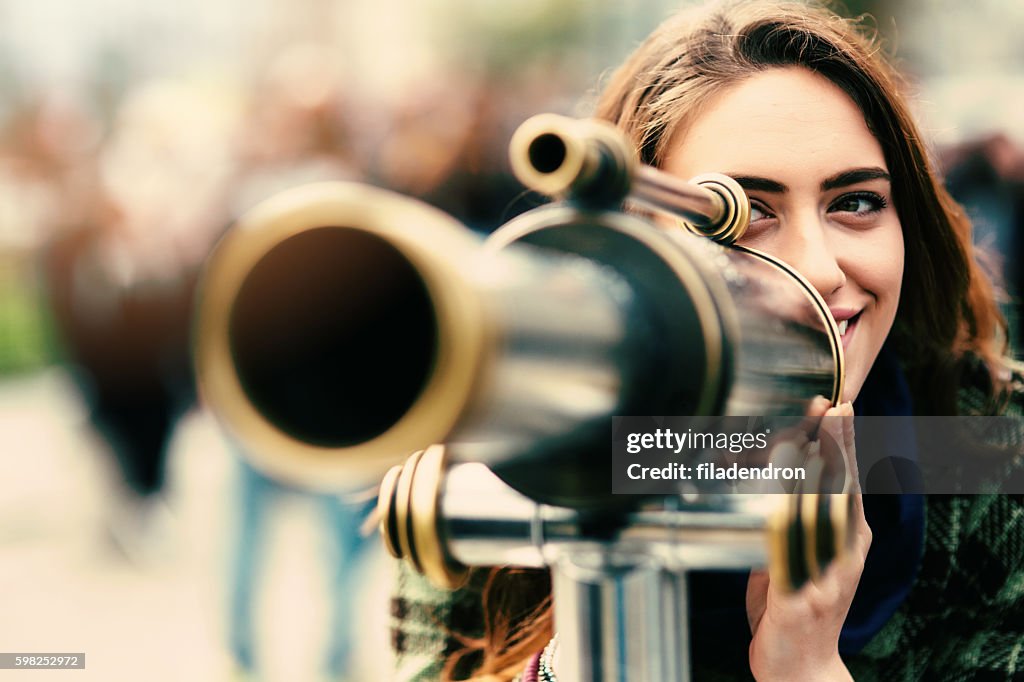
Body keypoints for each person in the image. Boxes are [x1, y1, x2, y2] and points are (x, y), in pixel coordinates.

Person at [388, 1, 1024, 680]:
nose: (817, 268)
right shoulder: (502, 467)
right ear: (628, 250)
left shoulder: (995, 454)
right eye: (746, 216)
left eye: (855, 202)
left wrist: (804, 666)